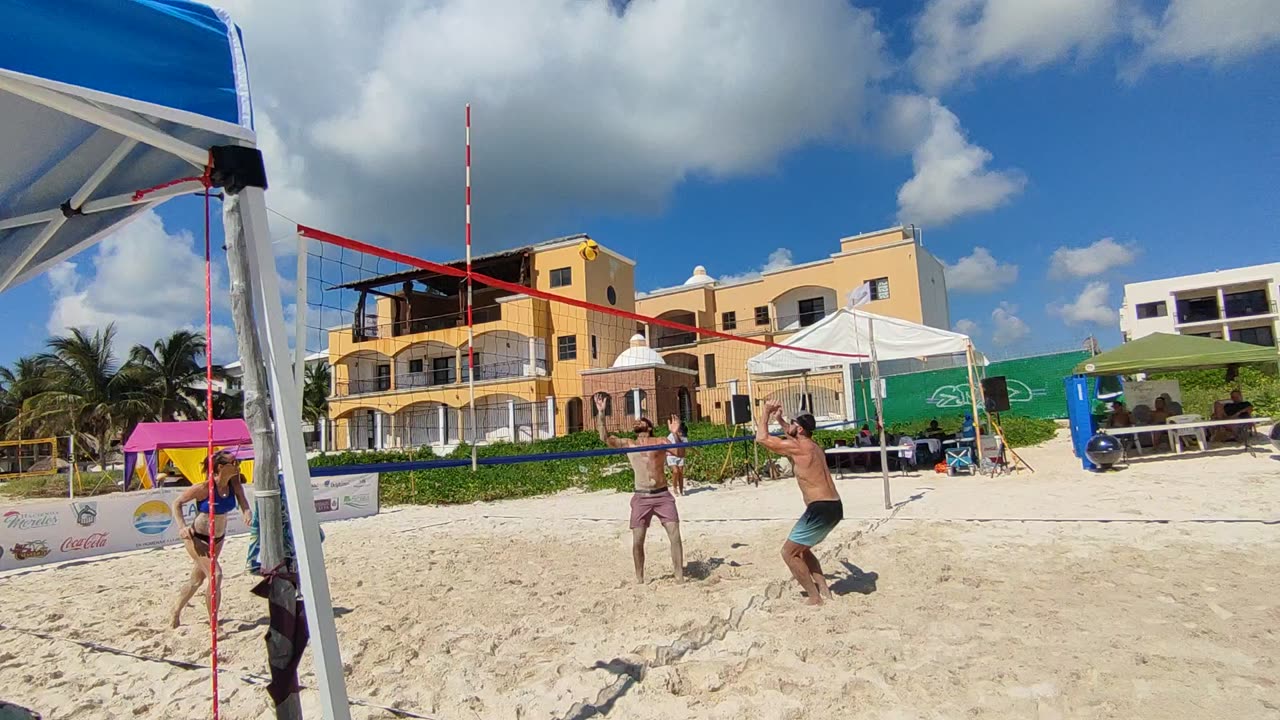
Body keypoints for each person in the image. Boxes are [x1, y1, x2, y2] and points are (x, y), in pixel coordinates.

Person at [755, 402, 843, 606]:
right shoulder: (813, 446)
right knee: (803, 550)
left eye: (793, 424)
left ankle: (815, 597)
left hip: (821, 508)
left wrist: (766, 413)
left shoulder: (797, 448)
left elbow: (761, 438)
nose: (788, 427)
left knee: (788, 552)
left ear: (800, 429)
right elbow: (791, 432)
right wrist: (779, 419)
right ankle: (824, 592)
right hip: (834, 506)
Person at [595, 394, 683, 584]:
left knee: (675, 535)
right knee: (637, 541)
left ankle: (679, 576)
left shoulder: (660, 440)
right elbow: (604, 437)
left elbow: (679, 453)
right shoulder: (629, 443)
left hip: (662, 495)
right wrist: (601, 413)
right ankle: (639, 578)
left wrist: (675, 434)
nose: (637, 420)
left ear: (649, 427)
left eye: (641, 419)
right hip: (641, 497)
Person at [170, 451, 252, 629]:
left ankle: (175, 611)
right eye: (234, 462)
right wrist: (182, 527)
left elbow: (243, 501)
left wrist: (246, 511)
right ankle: (214, 625)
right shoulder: (205, 487)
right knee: (216, 575)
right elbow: (177, 503)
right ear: (221, 467)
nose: (238, 465)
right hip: (198, 538)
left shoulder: (234, 483)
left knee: (196, 580)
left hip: (219, 538)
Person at [665, 416, 689, 496]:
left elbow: (684, 446)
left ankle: (681, 489)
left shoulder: (684, 437)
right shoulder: (671, 436)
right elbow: (666, 446)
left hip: (680, 456)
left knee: (681, 472)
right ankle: (675, 488)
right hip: (671, 456)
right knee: (675, 471)